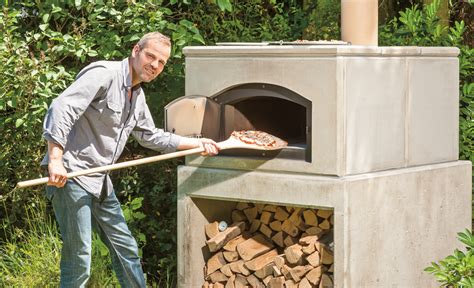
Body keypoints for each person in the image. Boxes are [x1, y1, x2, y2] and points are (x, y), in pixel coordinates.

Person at [41, 32, 219, 287]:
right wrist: (55, 158)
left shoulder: (138, 97)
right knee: (79, 258)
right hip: (71, 176)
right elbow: (62, 107)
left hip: (100, 180)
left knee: (127, 251)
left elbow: (151, 136)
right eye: (150, 56)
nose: (155, 65)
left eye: (161, 62)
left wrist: (197, 144)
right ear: (136, 50)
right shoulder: (104, 74)